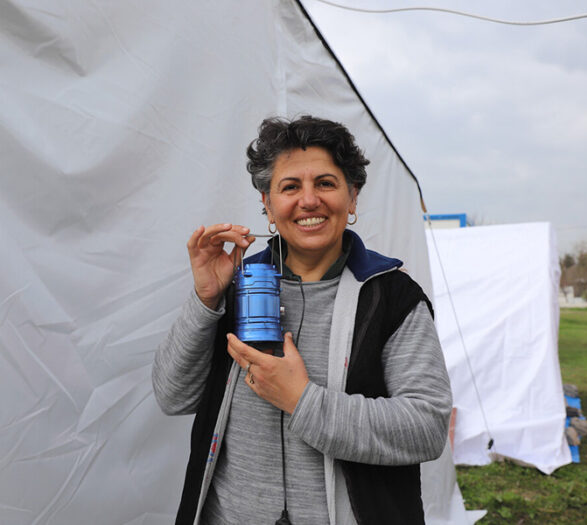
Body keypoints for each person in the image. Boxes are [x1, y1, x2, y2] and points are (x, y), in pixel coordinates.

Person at [152, 115, 452, 525]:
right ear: (268, 205)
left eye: (325, 183)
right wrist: (206, 299)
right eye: (290, 187)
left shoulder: (392, 298)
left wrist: (301, 399)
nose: (308, 200)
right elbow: (174, 396)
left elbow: (426, 427)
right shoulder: (237, 286)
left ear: (353, 197)